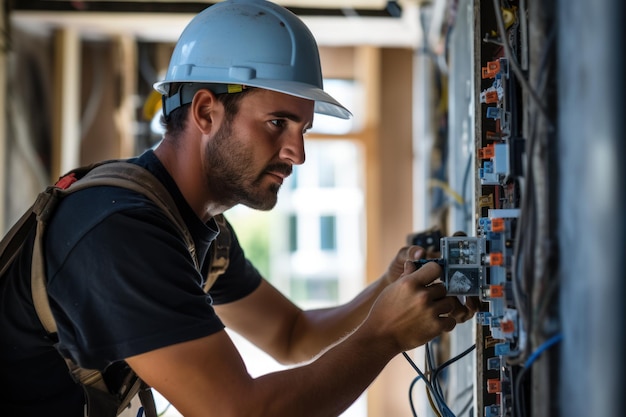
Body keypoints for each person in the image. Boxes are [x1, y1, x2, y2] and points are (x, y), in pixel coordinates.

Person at [0, 0, 477, 416]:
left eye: (303, 130)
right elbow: (238, 412)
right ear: (206, 112)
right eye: (276, 123)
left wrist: (386, 291)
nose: (297, 153)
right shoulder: (120, 230)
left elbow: (292, 335)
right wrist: (384, 337)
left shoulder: (195, 229)